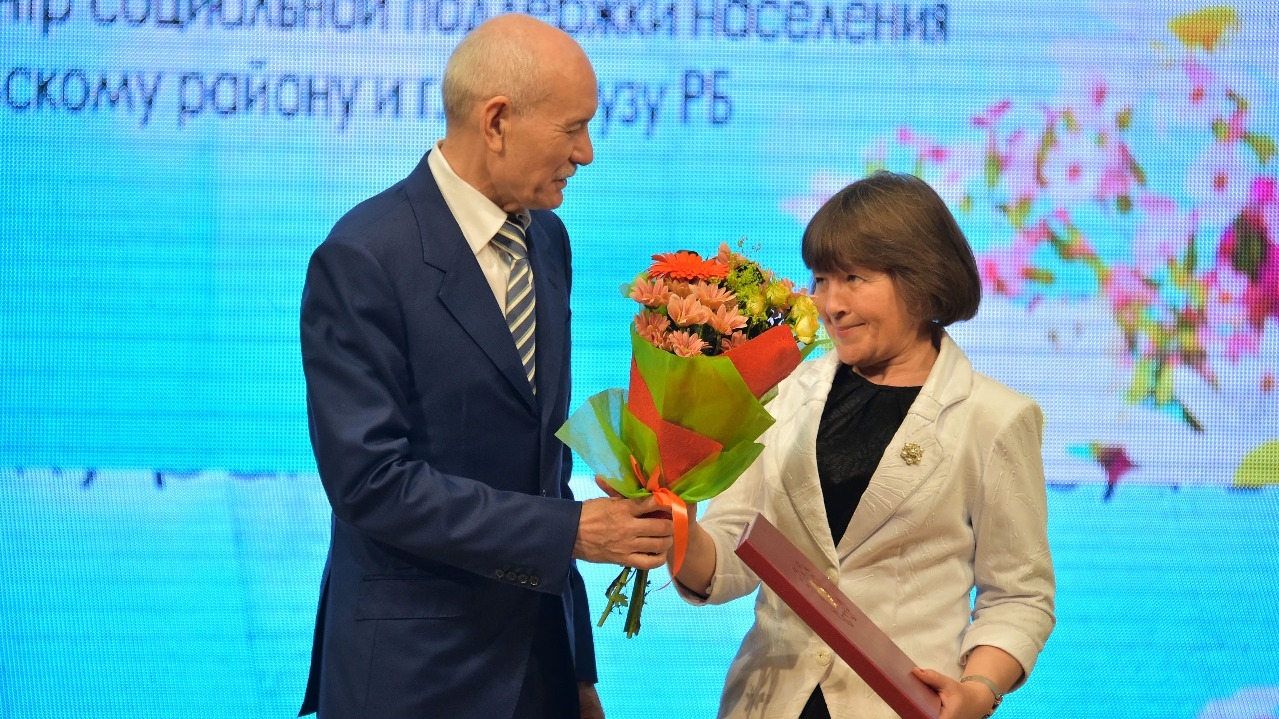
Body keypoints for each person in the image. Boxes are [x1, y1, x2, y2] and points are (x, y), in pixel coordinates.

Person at [298, 14, 674, 719]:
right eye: (572, 129)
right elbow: (371, 483)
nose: (586, 153)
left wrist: (576, 671)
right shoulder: (364, 257)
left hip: (538, 670)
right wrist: (571, 532)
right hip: (415, 676)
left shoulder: (547, 240)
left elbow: (543, 470)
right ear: (496, 121)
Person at [669, 171, 1056, 719]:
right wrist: (673, 518)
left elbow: (1019, 595)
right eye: (821, 280)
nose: (831, 304)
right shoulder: (781, 393)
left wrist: (977, 690)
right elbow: (733, 548)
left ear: (922, 280)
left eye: (854, 278)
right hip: (769, 702)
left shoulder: (993, 417)